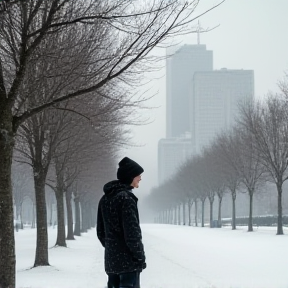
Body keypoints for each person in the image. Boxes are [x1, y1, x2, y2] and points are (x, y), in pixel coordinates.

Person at [97, 157, 146, 288]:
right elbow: (132, 233)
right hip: (128, 264)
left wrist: (113, 248)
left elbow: (100, 232)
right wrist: (140, 257)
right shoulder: (126, 198)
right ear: (130, 177)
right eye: (138, 175)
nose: (140, 178)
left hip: (111, 262)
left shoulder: (105, 198)